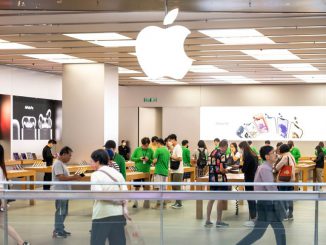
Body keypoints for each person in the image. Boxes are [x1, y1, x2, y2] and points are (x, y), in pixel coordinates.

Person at [236, 145, 286, 245]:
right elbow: (271, 189)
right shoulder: (265, 169)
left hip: (265, 204)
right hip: (267, 205)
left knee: (262, 232)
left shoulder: (265, 167)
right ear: (267, 156)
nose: (275, 154)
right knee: (272, 231)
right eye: (273, 153)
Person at [90, 149, 131, 245]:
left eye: (92, 161)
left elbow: (98, 194)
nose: (90, 163)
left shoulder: (96, 175)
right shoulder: (117, 174)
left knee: (97, 242)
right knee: (118, 242)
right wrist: (124, 208)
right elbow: (125, 193)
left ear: (98, 161)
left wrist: (115, 200)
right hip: (118, 214)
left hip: (102, 214)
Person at [0, 144, 31, 245]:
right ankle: (20, 242)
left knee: (3, 223)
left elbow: (1, 187)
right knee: (3, 224)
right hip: (1, 200)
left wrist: (2, 203)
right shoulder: (2, 168)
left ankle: (20, 242)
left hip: (0, 200)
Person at [52, 146, 83, 238]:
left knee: (64, 211)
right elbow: (60, 177)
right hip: (60, 191)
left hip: (65, 191)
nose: (70, 157)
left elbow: (65, 177)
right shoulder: (58, 164)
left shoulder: (62, 164)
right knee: (61, 211)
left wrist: (74, 177)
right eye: (69, 155)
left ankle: (60, 228)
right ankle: (57, 231)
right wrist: (74, 177)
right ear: (64, 154)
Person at [205, 139, 229, 228]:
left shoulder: (212, 152)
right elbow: (222, 169)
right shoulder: (222, 154)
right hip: (220, 180)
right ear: (225, 146)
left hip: (212, 179)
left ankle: (207, 220)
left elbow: (210, 166)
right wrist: (227, 170)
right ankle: (219, 221)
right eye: (227, 147)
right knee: (220, 199)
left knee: (211, 199)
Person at [239, 141, 258, 227]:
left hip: (249, 179)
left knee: (250, 199)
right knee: (253, 198)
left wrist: (241, 167)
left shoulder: (247, 156)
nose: (241, 151)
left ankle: (253, 219)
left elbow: (244, 169)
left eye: (241, 149)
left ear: (243, 148)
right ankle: (254, 218)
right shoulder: (254, 154)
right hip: (254, 178)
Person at [130, 137, 154, 208]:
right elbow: (132, 158)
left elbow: (153, 160)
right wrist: (139, 159)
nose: (146, 147)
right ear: (142, 144)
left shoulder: (150, 150)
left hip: (146, 171)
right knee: (136, 187)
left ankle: (146, 202)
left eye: (147, 145)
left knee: (146, 187)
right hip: (137, 171)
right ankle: (135, 202)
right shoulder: (137, 149)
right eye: (144, 145)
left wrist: (148, 159)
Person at [275, 144, 296, 221]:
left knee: (282, 197)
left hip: (284, 180)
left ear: (282, 150)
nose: (278, 150)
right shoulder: (291, 156)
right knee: (290, 197)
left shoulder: (285, 157)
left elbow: (277, 167)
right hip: (291, 180)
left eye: (279, 149)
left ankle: (284, 215)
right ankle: (290, 214)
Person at [152, 138, 170, 209]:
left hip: (159, 171)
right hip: (165, 171)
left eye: (156, 144)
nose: (156, 145)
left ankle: (158, 204)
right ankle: (164, 204)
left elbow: (155, 160)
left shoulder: (158, 150)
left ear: (159, 143)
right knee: (164, 188)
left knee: (158, 188)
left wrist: (152, 162)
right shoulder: (167, 151)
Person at [168, 134, 184, 209]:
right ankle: (176, 202)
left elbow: (180, 158)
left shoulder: (178, 147)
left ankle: (179, 203)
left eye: (170, 140)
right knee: (174, 187)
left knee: (177, 187)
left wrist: (171, 156)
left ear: (174, 139)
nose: (170, 142)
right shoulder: (175, 148)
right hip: (174, 170)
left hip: (178, 170)